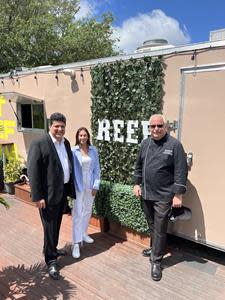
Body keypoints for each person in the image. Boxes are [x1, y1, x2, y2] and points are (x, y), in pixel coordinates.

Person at [133, 114, 188, 281]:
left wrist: (178, 194)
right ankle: (155, 248)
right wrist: (136, 184)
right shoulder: (145, 143)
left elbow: (181, 170)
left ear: (166, 127)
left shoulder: (175, 145)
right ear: (149, 128)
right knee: (152, 225)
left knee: (160, 227)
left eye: (159, 126)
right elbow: (138, 166)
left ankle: (156, 261)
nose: (156, 129)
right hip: (147, 193)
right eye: (153, 126)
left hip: (164, 195)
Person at [27, 112, 75, 280]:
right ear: (50, 126)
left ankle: (52, 248)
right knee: (49, 227)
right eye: (57, 126)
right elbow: (32, 171)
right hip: (46, 196)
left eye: (62, 126)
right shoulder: (39, 143)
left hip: (61, 192)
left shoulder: (66, 143)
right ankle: (51, 260)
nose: (60, 129)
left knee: (56, 224)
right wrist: (37, 196)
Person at [71, 127, 100, 259]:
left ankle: (83, 232)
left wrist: (96, 185)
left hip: (90, 184)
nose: (83, 137)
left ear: (88, 136)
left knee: (88, 210)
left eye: (85, 135)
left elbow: (97, 169)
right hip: (78, 184)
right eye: (80, 135)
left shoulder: (93, 150)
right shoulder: (73, 150)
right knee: (77, 212)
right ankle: (76, 243)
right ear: (77, 137)